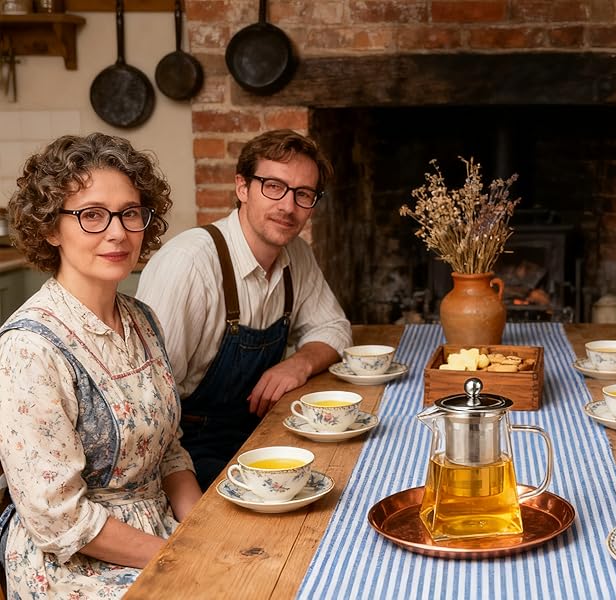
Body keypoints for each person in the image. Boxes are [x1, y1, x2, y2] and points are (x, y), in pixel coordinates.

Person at [0, 133, 202, 598]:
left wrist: (201, 529)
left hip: (161, 531)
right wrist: (179, 554)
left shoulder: (142, 319)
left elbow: (169, 450)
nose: (117, 232)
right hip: (75, 564)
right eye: (92, 215)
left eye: (130, 213)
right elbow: (60, 520)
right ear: (51, 228)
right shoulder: (31, 346)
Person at [136, 129, 352, 488]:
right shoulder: (190, 264)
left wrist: (299, 363)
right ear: (242, 187)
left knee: (343, 475)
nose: (288, 206)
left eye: (304, 194)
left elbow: (333, 327)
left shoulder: (296, 255)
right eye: (273, 186)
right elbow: (150, 403)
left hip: (258, 431)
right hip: (186, 449)